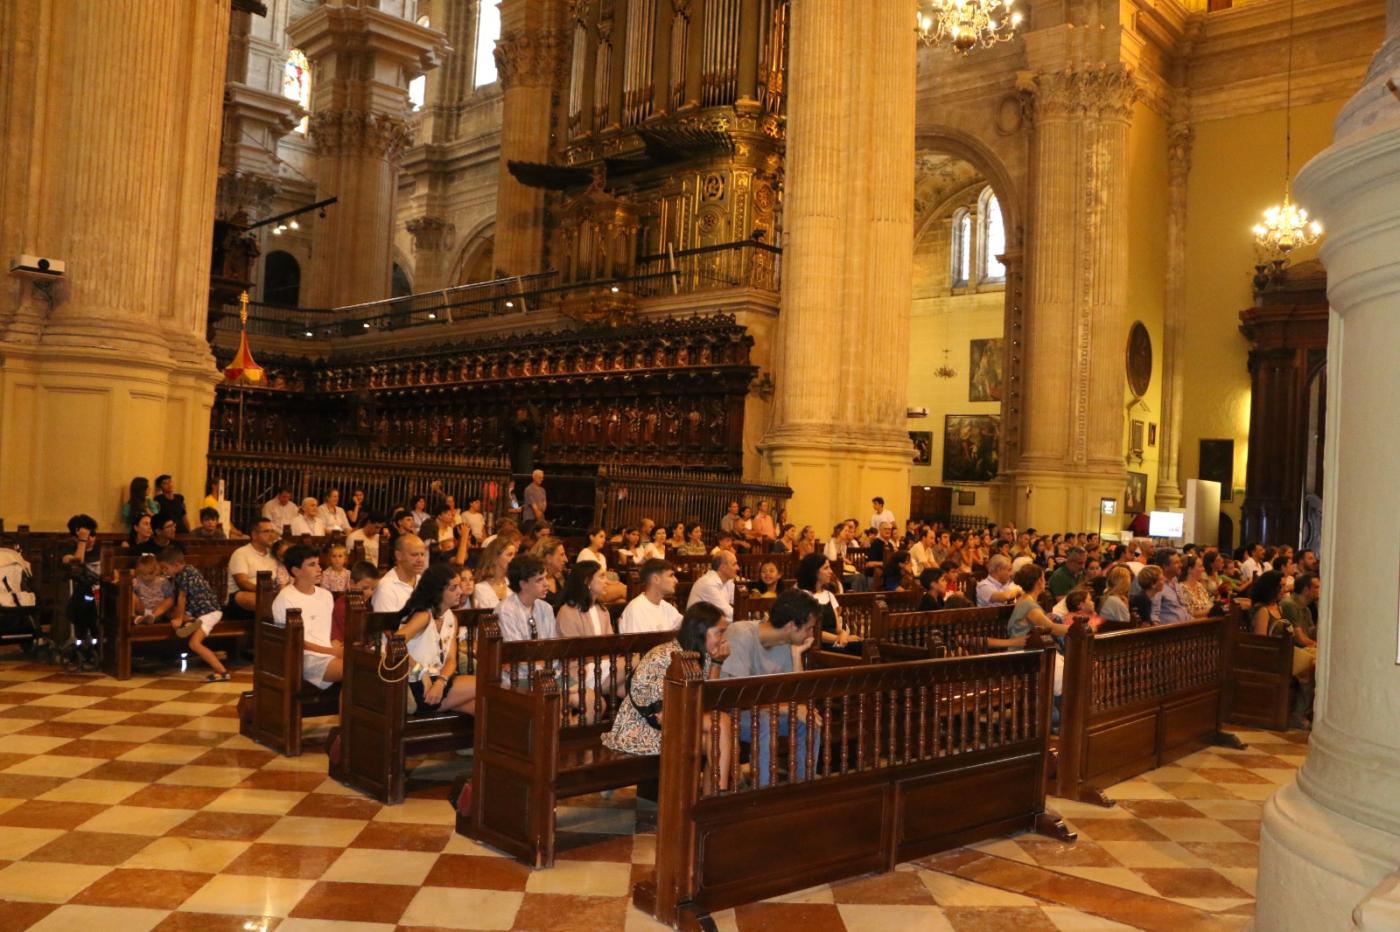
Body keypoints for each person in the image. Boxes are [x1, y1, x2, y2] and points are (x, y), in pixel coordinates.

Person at [602, 601, 731, 791]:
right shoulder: (664, 656)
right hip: (641, 730)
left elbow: (706, 698)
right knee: (721, 723)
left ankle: (710, 801)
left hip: (677, 724)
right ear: (701, 631)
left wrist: (717, 662)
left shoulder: (700, 655)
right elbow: (656, 712)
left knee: (715, 739)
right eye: (719, 632)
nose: (723, 639)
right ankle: (720, 795)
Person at [721, 589, 821, 786]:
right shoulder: (740, 634)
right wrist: (788, 708)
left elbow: (795, 697)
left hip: (766, 711)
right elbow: (738, 697)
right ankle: (763, 792)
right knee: (766, 720)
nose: (812, 634)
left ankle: (802, 787)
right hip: (728, 714)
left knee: (809, 720)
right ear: (792, 626)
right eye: (809, 628)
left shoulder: (785, 643)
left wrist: (796, 655)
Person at [395, 563, 477, 715]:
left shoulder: (450, 617)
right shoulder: (423, 616)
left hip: (438, 681)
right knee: (485, 685)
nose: (460, 591)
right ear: (438, 592)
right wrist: (421, 671)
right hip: (418, 684)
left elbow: (451, 659)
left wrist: (441, 681)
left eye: (459, 586)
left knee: (483, 708)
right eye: (453, 588)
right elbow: (394, 645)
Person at [267, 544, 341, 689]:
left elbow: (328, 630)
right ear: (296, 571)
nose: (319, 569)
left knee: (366, 664)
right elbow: (294, 641)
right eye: (312, 565)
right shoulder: (286, 598)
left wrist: (336, 645)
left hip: (327, 652)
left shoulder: (326, 595)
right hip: (304, 658)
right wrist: (331, 651)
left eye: (319, 564)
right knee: (354, 669)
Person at [160, 545, 230, 681]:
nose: (164, 571)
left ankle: (222, 671)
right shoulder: (188, 570)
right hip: (200, 611)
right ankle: (191, 623)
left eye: (165, 568)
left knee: (194, 644)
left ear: (176, 564)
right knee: (170, 613)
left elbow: (182, 597)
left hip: (209, 613)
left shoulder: (183, 575)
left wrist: (179, 619)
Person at [796, 552, 859, 654]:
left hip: (837, 641)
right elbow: (811, 632)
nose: (830, 572)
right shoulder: (803, 596)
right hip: (818, 646)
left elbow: (838, 628)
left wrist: (844, 636)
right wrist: (838, 638)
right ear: (814, 572)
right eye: (826, 568)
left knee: (864, 645)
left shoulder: (829, 595)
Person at [497, 553, 559, 641]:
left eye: (545, 577)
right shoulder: (506, 611)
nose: (546, 584)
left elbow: (553, 646)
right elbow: (515, 650)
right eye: (539, 580)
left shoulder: (546, 608)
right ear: (523, 584)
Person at [619, 559, 683, 633]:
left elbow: (687, 626)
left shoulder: (667, 607)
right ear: (656, 579)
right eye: (671, 575)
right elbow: (636, 643)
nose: (676, 580)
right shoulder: (636, 610)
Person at [1007, 565, 1071, 639]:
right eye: (1044, 578)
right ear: (1040, 581)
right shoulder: (1029, 605)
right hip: (1023, 648)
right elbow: (1052, 628)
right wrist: (1076, 629)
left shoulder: (1024, 598)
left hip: (1029, 645)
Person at [371, 533, 428, 613]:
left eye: (422, 554)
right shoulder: (386, 588)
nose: (420, 560)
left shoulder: (425, 582)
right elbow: (386, 624)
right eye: (414, 555)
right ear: (399, 556)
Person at [331, 561, 381, 643]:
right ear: (352, 583)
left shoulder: (368, 606)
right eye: (365, 588)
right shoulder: (342, 606)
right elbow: (339, 640)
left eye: (373, 589)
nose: (370, 593)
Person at [687, 550, 738, 621]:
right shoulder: (708, 583)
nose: (738, 568)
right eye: (734, 564)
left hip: (712, 627)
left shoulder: (727, 581)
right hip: (699, 630)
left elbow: (739, 602)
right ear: (723, 567)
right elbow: (728, 613)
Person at [472, 536, 518, 611]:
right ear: (495, 558)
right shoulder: (480, 588)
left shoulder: (514, 585)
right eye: (509, 555)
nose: (514, 559)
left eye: (514, 555)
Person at [131, 554, 173, 625]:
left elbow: (169, 598)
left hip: (158, 611)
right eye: (144, 574)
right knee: (131, 596)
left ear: (156, 570)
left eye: (150, 573)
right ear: (139, 572)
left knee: (170, 600)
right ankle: (134, 617)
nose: (147, 577)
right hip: (143, 609)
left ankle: (152, 617)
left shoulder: (162, 581)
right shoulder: (137, 581)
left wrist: (158, 610)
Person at [531, 537, 568, 611]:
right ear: (549, 558)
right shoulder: (532, 583)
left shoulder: (564, 577)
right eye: (562, 555)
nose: (566, 559)